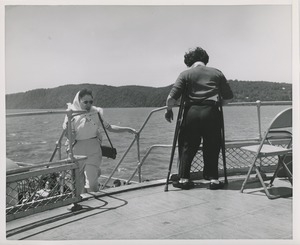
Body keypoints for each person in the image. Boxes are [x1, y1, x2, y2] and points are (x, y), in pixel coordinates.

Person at [165, 47, 233, 190]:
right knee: (213, 145)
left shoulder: (186, 74)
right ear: (205, 60)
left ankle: (184, 179)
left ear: (189, 62)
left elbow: (171, 98)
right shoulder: (217, 73)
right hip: (212, 112)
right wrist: (215, 105)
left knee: (187, 145)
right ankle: (213, 179)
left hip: (192, 113)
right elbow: (228, 97)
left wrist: (169, 110)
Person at [63, 89, 137, 211]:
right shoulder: (71, 114)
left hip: (93, 149)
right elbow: (68, 135)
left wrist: (127, 129)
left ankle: (96, 210)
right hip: (76, 150)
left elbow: (110, 127)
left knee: (92, 183)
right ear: (78, 101)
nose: (88, 105)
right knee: (78, 183)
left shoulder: (96, 113)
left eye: (90, 102)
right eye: (85, 102)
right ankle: (80, 206)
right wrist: (68, 123)